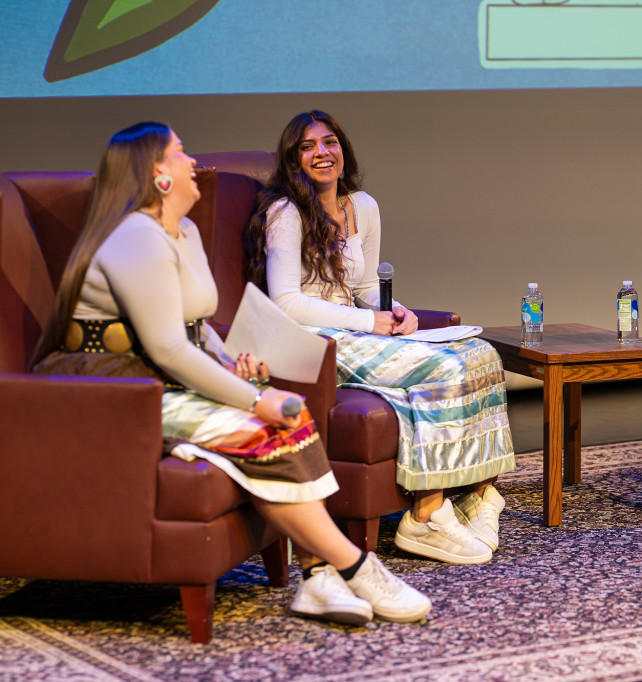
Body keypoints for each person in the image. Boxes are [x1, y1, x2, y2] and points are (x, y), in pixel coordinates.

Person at [31, 122, 431, 625]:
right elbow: (168, 348)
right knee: (260, 426)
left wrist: (229, 364)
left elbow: (194, 328)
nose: (193, 162)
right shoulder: (136, 236)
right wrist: (253, 399)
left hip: (157, 372)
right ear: (157, 176)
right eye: (180, 155)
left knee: (295, 418)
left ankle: (316, 581)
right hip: (115, 384)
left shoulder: (186, 228)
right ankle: (353, 566)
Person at [244, 111, 515, 564]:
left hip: (353, 326)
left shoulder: (362, 206)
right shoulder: (285, 213)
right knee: (444, 366)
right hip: (309, 340)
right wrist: (371, 323)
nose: (322, 153)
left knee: (480, 353)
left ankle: (479, 495)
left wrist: (395, 311)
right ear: (293, 161)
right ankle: (426, 517)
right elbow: (286, 302)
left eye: (329, 142)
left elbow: (366, 286)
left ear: (343, 149)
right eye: (307, 147)